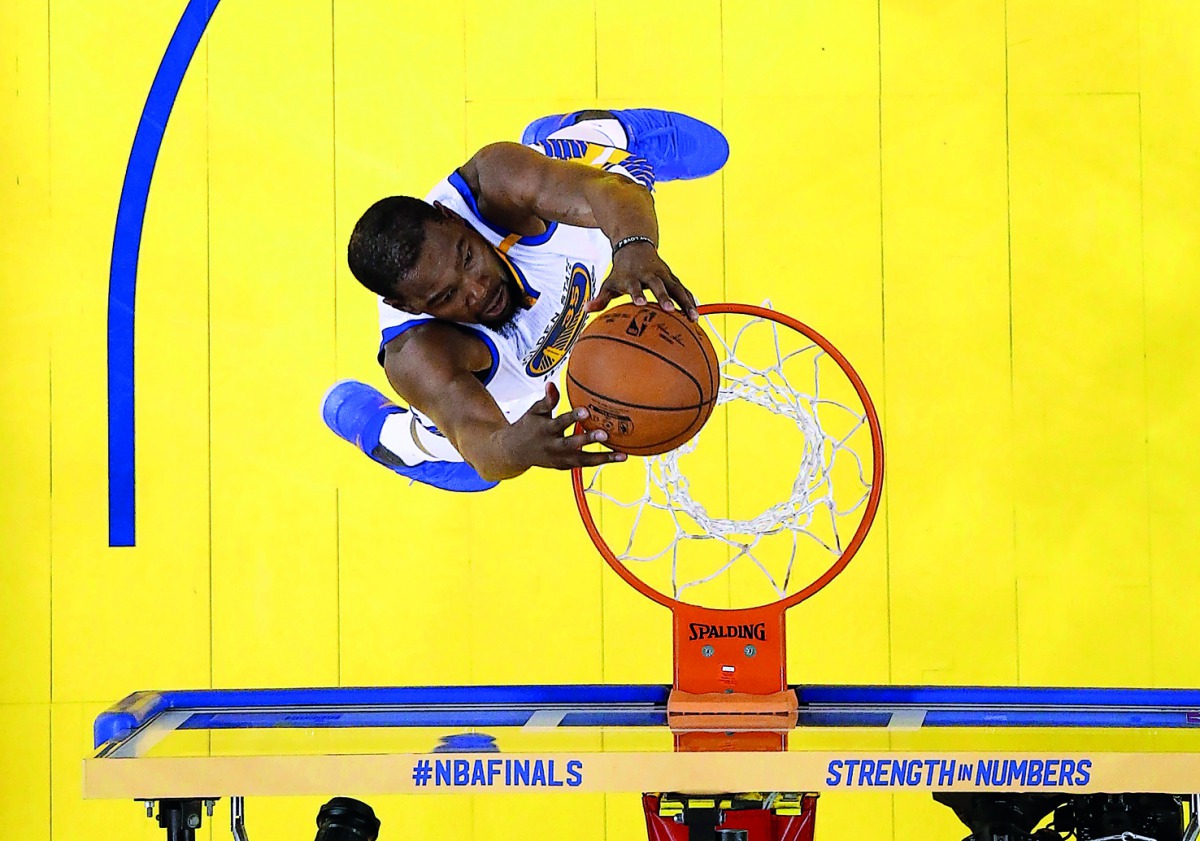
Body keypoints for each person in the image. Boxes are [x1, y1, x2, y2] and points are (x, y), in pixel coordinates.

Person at [322, 108, 729, 491]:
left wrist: (635, 248)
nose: (478, 289)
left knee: (618, 175)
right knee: (477, 467)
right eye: (447, 295)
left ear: (451, 217)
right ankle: (380, 432)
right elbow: (483, 442)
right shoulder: (418, 355)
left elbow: (610, 191)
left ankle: (589, 129)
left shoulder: (495, 184)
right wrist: (517, 448)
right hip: (509, 390)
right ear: (409, 307)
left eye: (467, 257)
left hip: (554, 218)